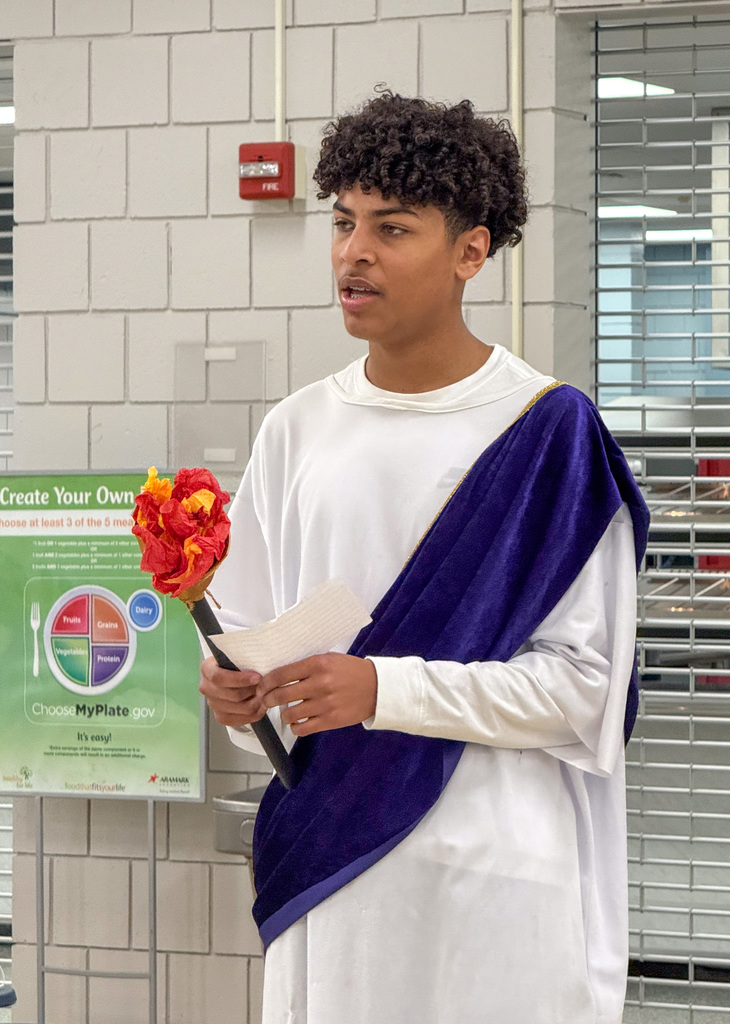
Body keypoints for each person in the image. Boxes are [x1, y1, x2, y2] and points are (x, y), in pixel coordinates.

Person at [200, 91, 648, 1024]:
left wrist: (383, 688)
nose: (352, 253)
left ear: (470, 252)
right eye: (343, 222)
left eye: (392, 228)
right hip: (336, 871)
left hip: (495, 883)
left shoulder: (549, 434)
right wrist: (238, 694)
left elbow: (586, 691)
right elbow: (250, 646)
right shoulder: (297, 430)